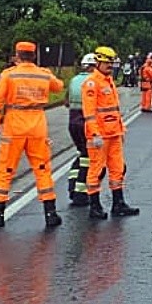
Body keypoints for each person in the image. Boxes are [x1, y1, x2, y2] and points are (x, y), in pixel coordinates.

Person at [0, 40, 65, 229]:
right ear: (34, 56)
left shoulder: (8, 75)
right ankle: (50, 213)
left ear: (17, 56)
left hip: (14, 124)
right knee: (42, 169)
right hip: (37, 125)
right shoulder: (43, 74)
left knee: (5, 169)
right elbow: (59, 86)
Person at [82, 45, 140, 220]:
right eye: (107, 63)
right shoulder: (92, 83)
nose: (110, 66)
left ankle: (118, 203)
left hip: (114, 133)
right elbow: (89, 112)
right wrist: (95, 134)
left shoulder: (109, 81)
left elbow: (114, 110)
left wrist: (121, 130)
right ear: (97, 62)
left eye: (111, 63)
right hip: (100, 136)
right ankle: (94, 206)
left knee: (118, 169)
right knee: (97, 170)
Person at [65, 52, 97, 207]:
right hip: (86, 122)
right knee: (88, 158)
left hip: (73, 122)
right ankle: (80, 193)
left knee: (82, 154)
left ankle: (73, 184)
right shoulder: (93, 81)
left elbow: (66, 102)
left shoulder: (74, 80)